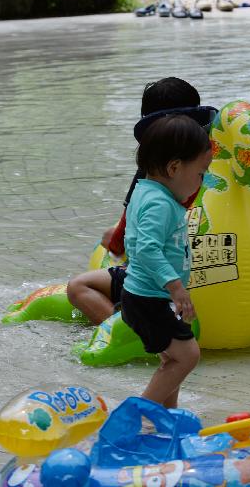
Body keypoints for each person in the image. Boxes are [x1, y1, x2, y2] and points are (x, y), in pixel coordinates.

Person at [66, 77, 214, 324]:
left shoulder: (149, 174)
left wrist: (115, 242)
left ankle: (123, 328)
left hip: (155, 279)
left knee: (79, 282)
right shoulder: (211, 159)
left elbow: (125, 240)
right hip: (181, 267)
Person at [120, 114, 211, 408]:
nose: (202, 180)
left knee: (173, 362)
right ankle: (136, 416)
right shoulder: (160, 203)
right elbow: (146, 249)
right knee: (188, 356)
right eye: (200, 173)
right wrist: (175, 287)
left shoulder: (145, 192)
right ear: (174, 167)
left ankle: (166, 418)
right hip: (150, 298)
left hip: (144, 297)